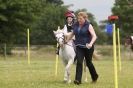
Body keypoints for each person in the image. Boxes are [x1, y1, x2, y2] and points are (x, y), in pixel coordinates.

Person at [66, 12, 99, 85]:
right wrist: (67, 40)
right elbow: (72, 33)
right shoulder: (76, 25)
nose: (79, 20)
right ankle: (78, 80)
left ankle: (95, 76)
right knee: (79, 62)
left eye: (80, 19)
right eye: (78, 18)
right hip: (79, 46)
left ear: (85, 18)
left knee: (88, 63)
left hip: (88, 47)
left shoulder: (88, 25)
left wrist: (91, 44)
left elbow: (94, 36)